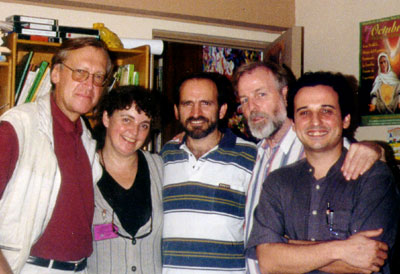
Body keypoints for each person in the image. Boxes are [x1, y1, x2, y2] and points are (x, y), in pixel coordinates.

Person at [232, 61, 384, 273]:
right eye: (245, 99)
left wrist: (377, 150)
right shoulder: (256, 154)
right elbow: (264, 254)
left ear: (285, 94)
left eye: (261, 95)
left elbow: (366, 256)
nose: (252, 107)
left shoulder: (320, 144)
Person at [0, 37, 112, 273]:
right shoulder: (18, 128)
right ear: (55, 75)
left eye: (98, 76)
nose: (89, 84)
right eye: (80, 72)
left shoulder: (86, 138)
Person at [161, 72, 257, 273]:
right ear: (177, 111)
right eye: (187, 104)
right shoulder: (164, 156)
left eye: (205, 103)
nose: (196, 113)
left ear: (221, 110)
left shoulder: (252, 156)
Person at [87, 86, 163, 274]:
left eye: (144, 125)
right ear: (106, 118)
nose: (134, 131)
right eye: (127, 119)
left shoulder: (160, 168)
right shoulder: (84, 170)